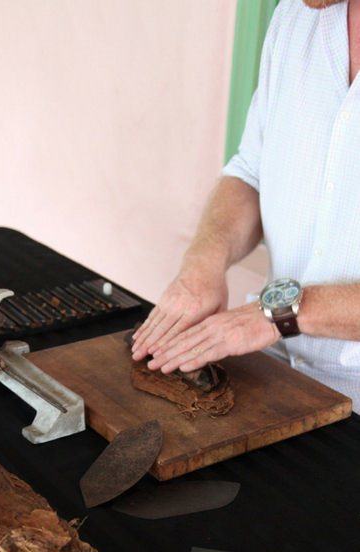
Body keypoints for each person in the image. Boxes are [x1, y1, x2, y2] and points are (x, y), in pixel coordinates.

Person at [130, 0, 360, 406]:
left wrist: (283, 314)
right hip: (277, 371)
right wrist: (203, 263)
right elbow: (252, 171)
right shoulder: (295, 14)